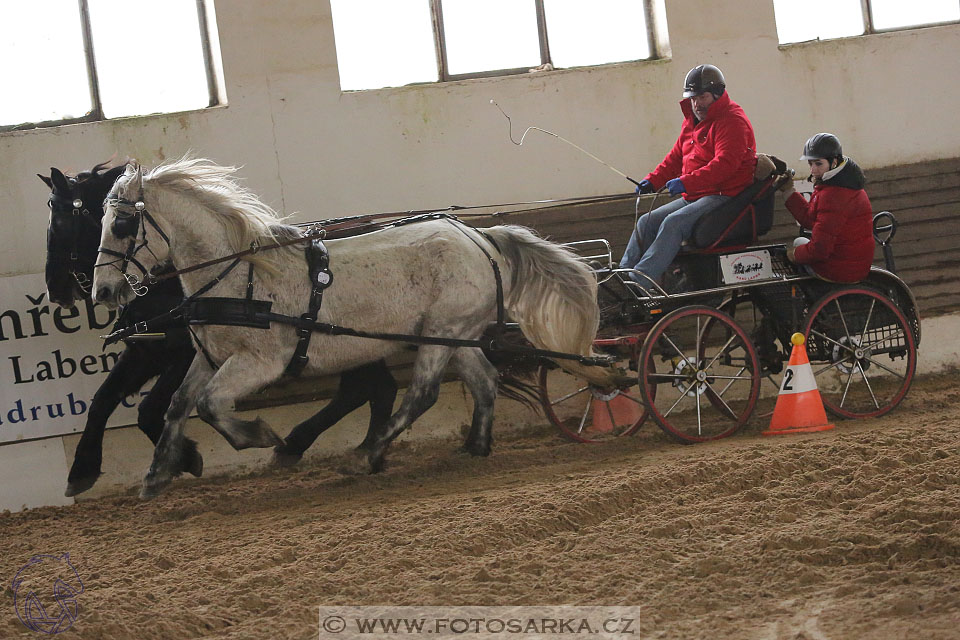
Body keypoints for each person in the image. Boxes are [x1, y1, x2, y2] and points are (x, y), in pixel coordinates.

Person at [619, 64, 756, 288]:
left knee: (674, 223)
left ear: (717, 94)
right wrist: (653, 180)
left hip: (725, 194)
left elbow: (724, 166)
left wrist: (686, 181)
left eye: (702, 96)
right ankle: (623, 275)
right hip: (696, 192)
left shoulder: (733, 122)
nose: (696, 103)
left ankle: (641, 281)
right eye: (693, 98)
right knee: (646, 222)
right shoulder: (692, 121)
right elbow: (675, 157)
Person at [779, 133, 874, 282]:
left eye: (818, 164)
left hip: (840, 269)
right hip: (851, 263)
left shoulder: (834, 195)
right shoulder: (839, 184)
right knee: (800, 244)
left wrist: (792, 255)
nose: (813, 170)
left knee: (798, 245)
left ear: (834, 162)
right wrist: (789, 191)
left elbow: (819, 250)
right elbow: (811, 219)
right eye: (810, 164)